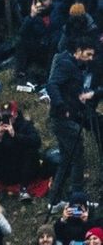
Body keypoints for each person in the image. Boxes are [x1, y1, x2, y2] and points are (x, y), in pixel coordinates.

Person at [45, 38, 101, 209]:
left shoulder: (74, 66)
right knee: (77, 157)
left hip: (66, 116)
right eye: (88, 54)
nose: (90, 58)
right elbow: (52, 85)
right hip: (63, 118)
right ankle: (77, 199)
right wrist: (62, 106)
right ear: (78, 50)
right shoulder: (66, 64)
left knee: (66, 159)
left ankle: (54, 201)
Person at [0, 101, 41, 202]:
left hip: (23, 167)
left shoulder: (25, 125)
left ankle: (23, 189)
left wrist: (15, 135)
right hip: (7, 170)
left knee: (31, 153)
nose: (7, 119)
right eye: (4, 116)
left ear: (16, 114)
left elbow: (37, 142)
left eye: (9, 116)